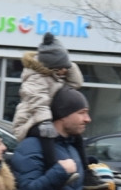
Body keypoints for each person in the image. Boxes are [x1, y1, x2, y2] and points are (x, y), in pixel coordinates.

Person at [12, 32, 85, 170]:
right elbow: (39, 102)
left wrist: (68, 64)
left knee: (77, 135)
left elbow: (76, 84)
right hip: (29, 121)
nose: (65, 71)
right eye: (62, 68)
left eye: (66, 67)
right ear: (53, 67)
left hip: (45, 118)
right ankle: (53, 167)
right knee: (47, 133)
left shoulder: (55, 76)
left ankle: (86, 169)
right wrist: (45, 122)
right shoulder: (35, 78)